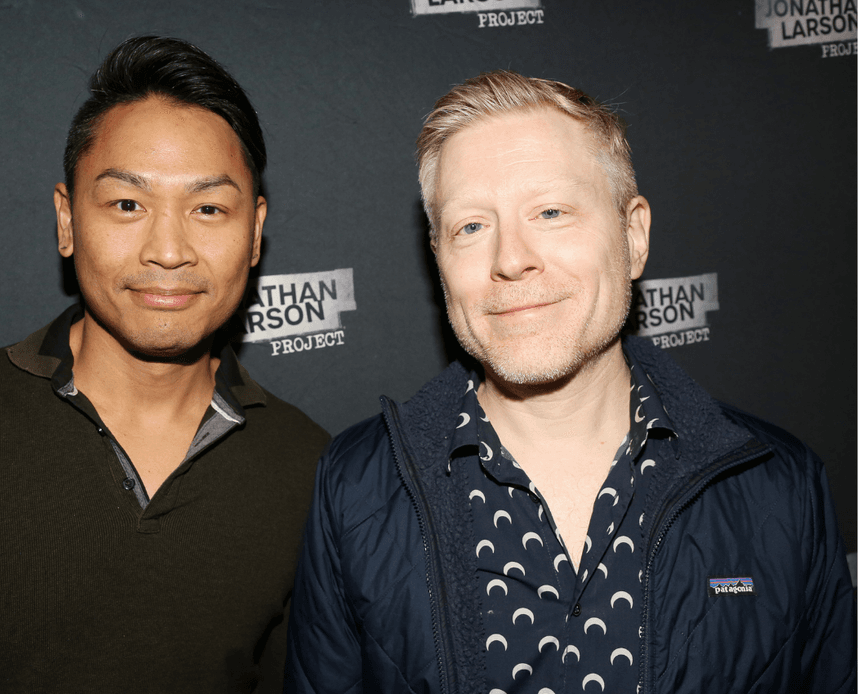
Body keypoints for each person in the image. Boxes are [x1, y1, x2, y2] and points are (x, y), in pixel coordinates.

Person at [285, 71, 856, 694]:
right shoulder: (357, 486)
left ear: (632, 238)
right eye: (471, 227)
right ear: (437, 259)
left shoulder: (779, 485)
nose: (509, 258)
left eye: (551, 212)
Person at [0, 36, 329, 693]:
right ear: (67, 220)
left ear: (255, 232)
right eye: (127, 205)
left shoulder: (311, 472)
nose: (168, 250)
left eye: (208, 208)